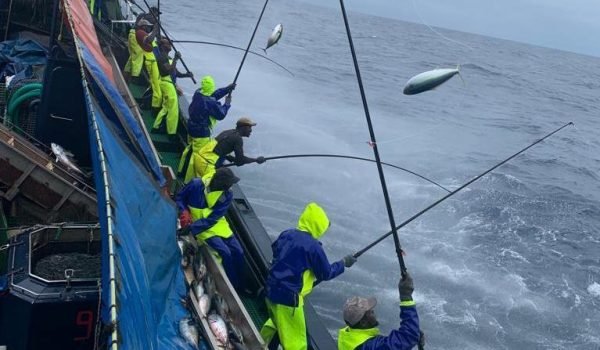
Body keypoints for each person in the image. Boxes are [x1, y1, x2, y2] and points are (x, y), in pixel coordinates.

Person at [260, 202, 357, 350]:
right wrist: (343, 263)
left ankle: (257, 344)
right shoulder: (313, 247)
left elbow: (276, 251)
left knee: (275, 324)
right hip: (289, 300)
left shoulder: (287, 234)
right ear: (318, 226)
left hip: (271, 290)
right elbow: (326, 273)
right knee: (297, 345)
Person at [175, 168, 246, 290]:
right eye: (228, 183)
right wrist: (184, 211)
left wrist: (191, 228)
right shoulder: (196, 184)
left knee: (239, 251)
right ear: (219, 183)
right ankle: (234, 286)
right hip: (199, 224)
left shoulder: (227, 194)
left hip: (215, 223)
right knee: (225, 252)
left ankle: (241, 284)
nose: (230, 186)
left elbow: (214, 217)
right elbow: (180, 197)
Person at [337, 273, 422, 350]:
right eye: (370, 312)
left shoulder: (347, 335)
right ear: (363, 322)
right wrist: (406, 297)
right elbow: (406, 338)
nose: (373, 311)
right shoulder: (369, 346)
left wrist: (412, 337)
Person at [178, 76, 236, 180]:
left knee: (190, 149)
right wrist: (227, 104)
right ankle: (189, 179)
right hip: (201, 132)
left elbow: (213, 95)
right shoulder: (210, 102)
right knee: (198, 156)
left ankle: (181, 170)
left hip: (191, 127)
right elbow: (221, 114)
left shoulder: (198, 93)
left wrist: (227, 89)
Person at [190, 117, 266, 182]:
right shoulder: (238, 138)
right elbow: (240, 160)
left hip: (199, 159)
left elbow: (219, 148)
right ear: (244, 127)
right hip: (206, 165)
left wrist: (231, 158)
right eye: (250, 127)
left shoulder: (228, 132)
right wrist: (256, 160)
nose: (251, 130)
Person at [151, 38, 193, 136]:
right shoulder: (161, 57)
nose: (170, 45)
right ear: (162, 46)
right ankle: (171, 132)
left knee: (166, 107)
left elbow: (175, 73)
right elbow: (168, 71)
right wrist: (176, 59)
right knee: (173, 109)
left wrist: (186, 75)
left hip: (170, 84)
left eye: (170, 44)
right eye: (168, 44)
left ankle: (156, 127)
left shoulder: (168, 58)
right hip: (166, 83)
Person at [135, 19, 162, 115]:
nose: (148, 28)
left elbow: (151, 39)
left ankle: (145, 100)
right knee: (156, 86)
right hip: (150, 61)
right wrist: (155, 29)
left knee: (154, 84)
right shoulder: (140, 33)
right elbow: (148, 40)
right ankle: (155, 109)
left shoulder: (143, 33)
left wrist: (155, 31)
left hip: (152, 61)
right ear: (143, 26)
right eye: (147, 26)